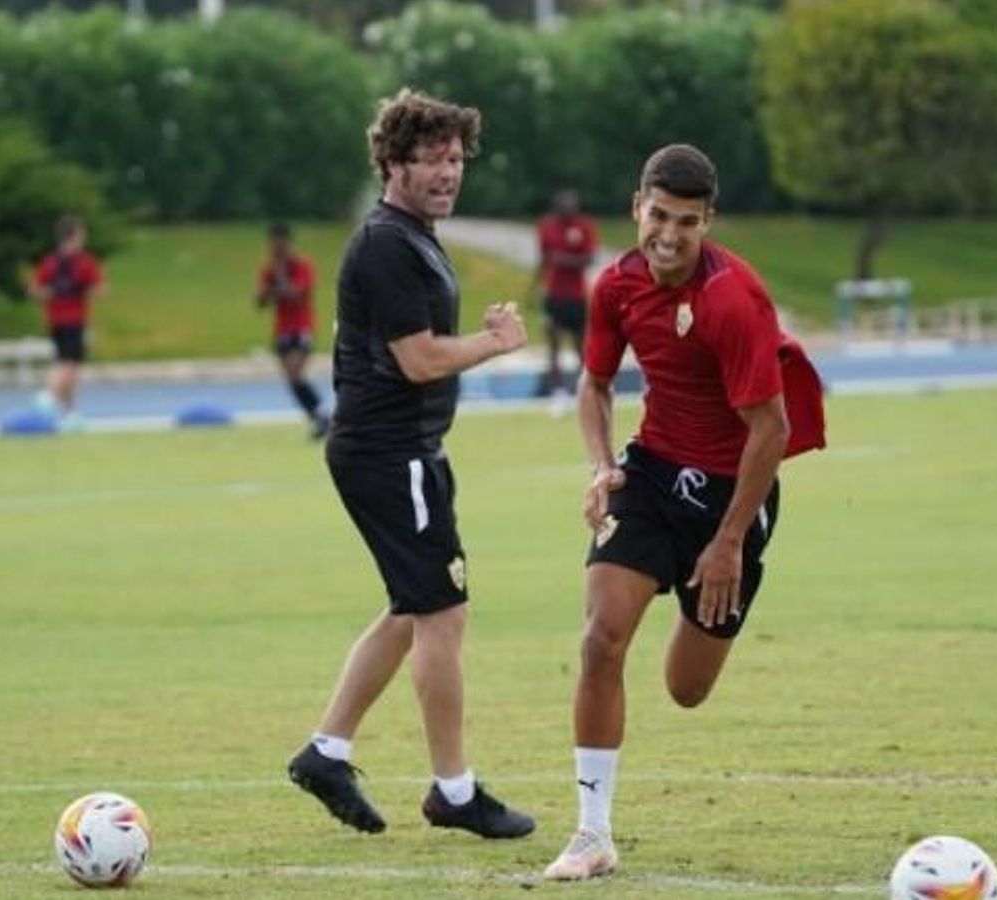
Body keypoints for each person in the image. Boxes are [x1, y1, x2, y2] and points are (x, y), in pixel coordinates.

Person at [543, 144, 826, 881]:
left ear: (709, 222)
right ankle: (592, 834)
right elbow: (595, 386)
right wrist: (604, 466)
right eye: (658, 215)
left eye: (687, 222)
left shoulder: (736, 299)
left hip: (733, 494)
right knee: (602, 638)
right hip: (655, 472)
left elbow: (772, 428)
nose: (668, 235)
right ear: (638, 206)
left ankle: (692, 585)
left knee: (685, 689)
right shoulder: (616, 287)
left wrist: (729, 541)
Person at [286, 88, 536, 840]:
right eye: (431, 158)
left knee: (412, 607)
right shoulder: (388, 244)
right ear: (393, 163)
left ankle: (325, 752)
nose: (448, 172)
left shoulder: (412, 235)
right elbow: (420, 358)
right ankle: (453, 791)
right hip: (389, 455)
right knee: (442, 613)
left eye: (456, 159)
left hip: (406, 453)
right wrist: (494, 344)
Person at [29, 215, 104, 428]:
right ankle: (47, 395)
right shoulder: (83, 262)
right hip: (74, 320)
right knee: (69, 366)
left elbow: (35, 291)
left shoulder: (50, 262)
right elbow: (100, 290)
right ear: (75, 235)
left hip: (55, 321)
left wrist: (52, 292)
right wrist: (78, 290)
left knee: (66, 365)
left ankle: (71, 414)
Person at [256, 222, 330, 439]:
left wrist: (279, 277)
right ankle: (318, 416)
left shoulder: (301, 266)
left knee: (295, 373)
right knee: (290, 378)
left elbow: (296, 294)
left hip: (301, 327)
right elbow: (260, 301)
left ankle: (322, 413)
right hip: (282, 329)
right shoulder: (267, 269)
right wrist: (267, 289)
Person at [533, 189, 599, 413]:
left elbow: (590, 258)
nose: (569, 211)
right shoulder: (546, 227)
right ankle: (558, 394)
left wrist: (564, 260)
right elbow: (543, 259)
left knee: (581, 345)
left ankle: (584, 392)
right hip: (554, 295)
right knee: (553, 345)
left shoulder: (584, 226)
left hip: (578, 296)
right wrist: (535, 287)